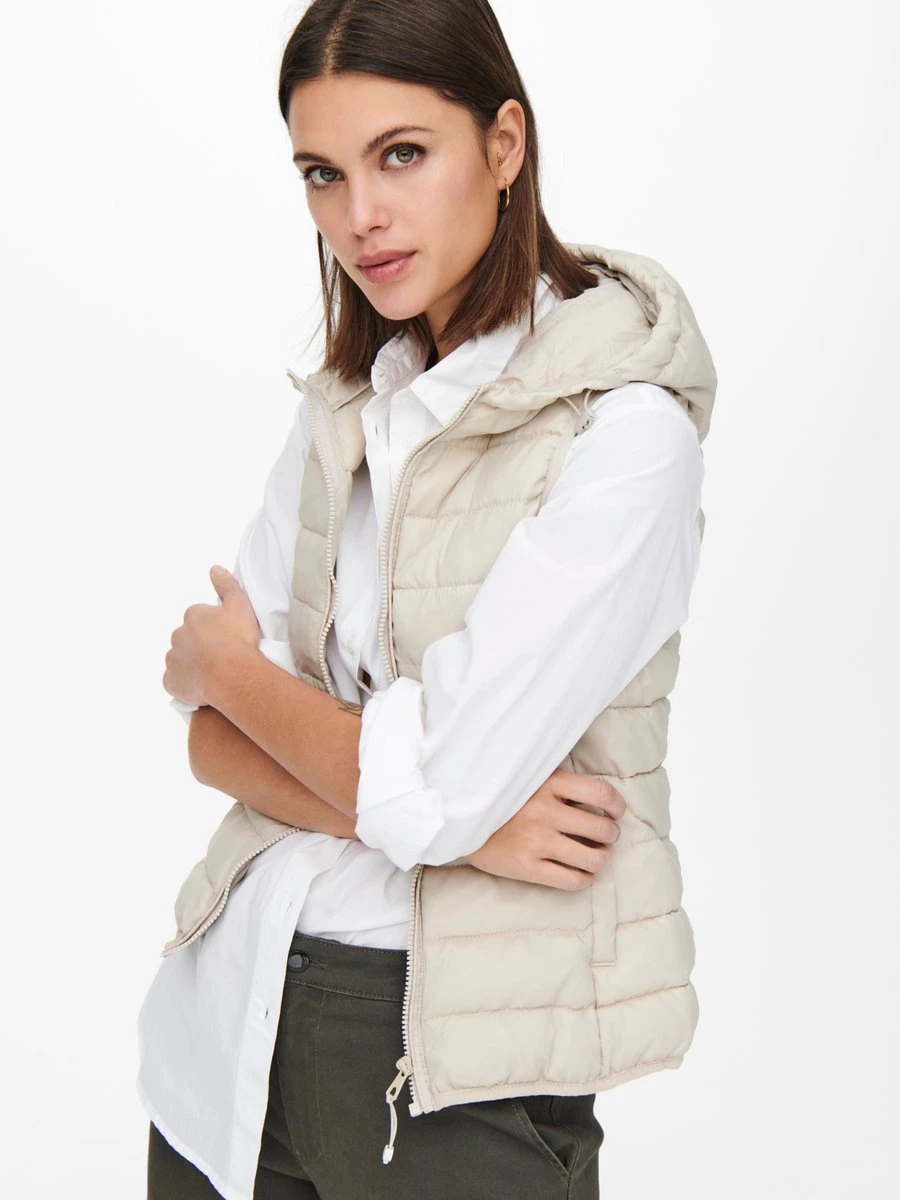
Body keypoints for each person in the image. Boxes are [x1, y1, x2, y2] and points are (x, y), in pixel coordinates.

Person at [138, 1, 717, 1197]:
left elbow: (417, 774)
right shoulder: (347, 411)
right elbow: (213, 747)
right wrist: (457, 823)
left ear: (504, 144)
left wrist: (233, 672)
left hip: (447, 1066)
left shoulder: (624, 438)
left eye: (401, 154)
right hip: (231, 1020)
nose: (360, 215)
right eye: (322, 173)